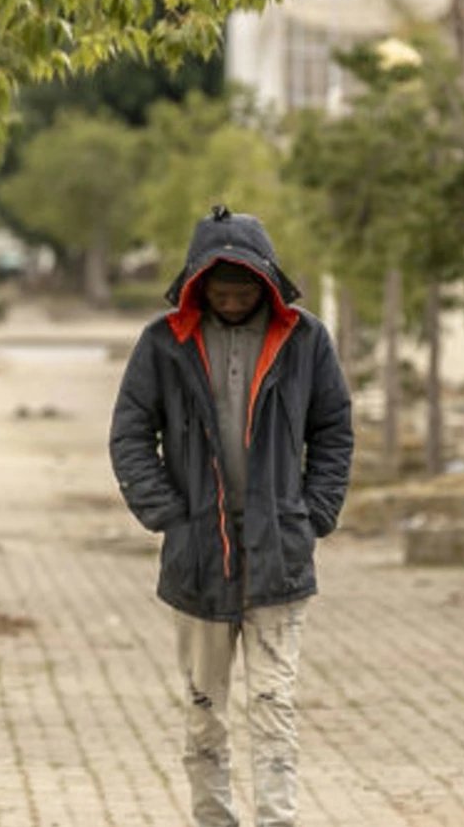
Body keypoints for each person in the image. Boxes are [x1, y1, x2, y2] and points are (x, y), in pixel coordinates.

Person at [110, 205, 353, 827]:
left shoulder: (305, 341)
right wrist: (170, 515)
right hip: (198, 560)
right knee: (203, 711)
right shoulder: (164, 344)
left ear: (267, 281)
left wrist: (314, 515)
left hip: (280, 556)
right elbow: (131, 435)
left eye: (246, 287)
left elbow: (333, 432)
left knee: (274, 702)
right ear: (199, 285)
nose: (235, 297)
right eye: (222, 288)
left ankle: (278, 819)